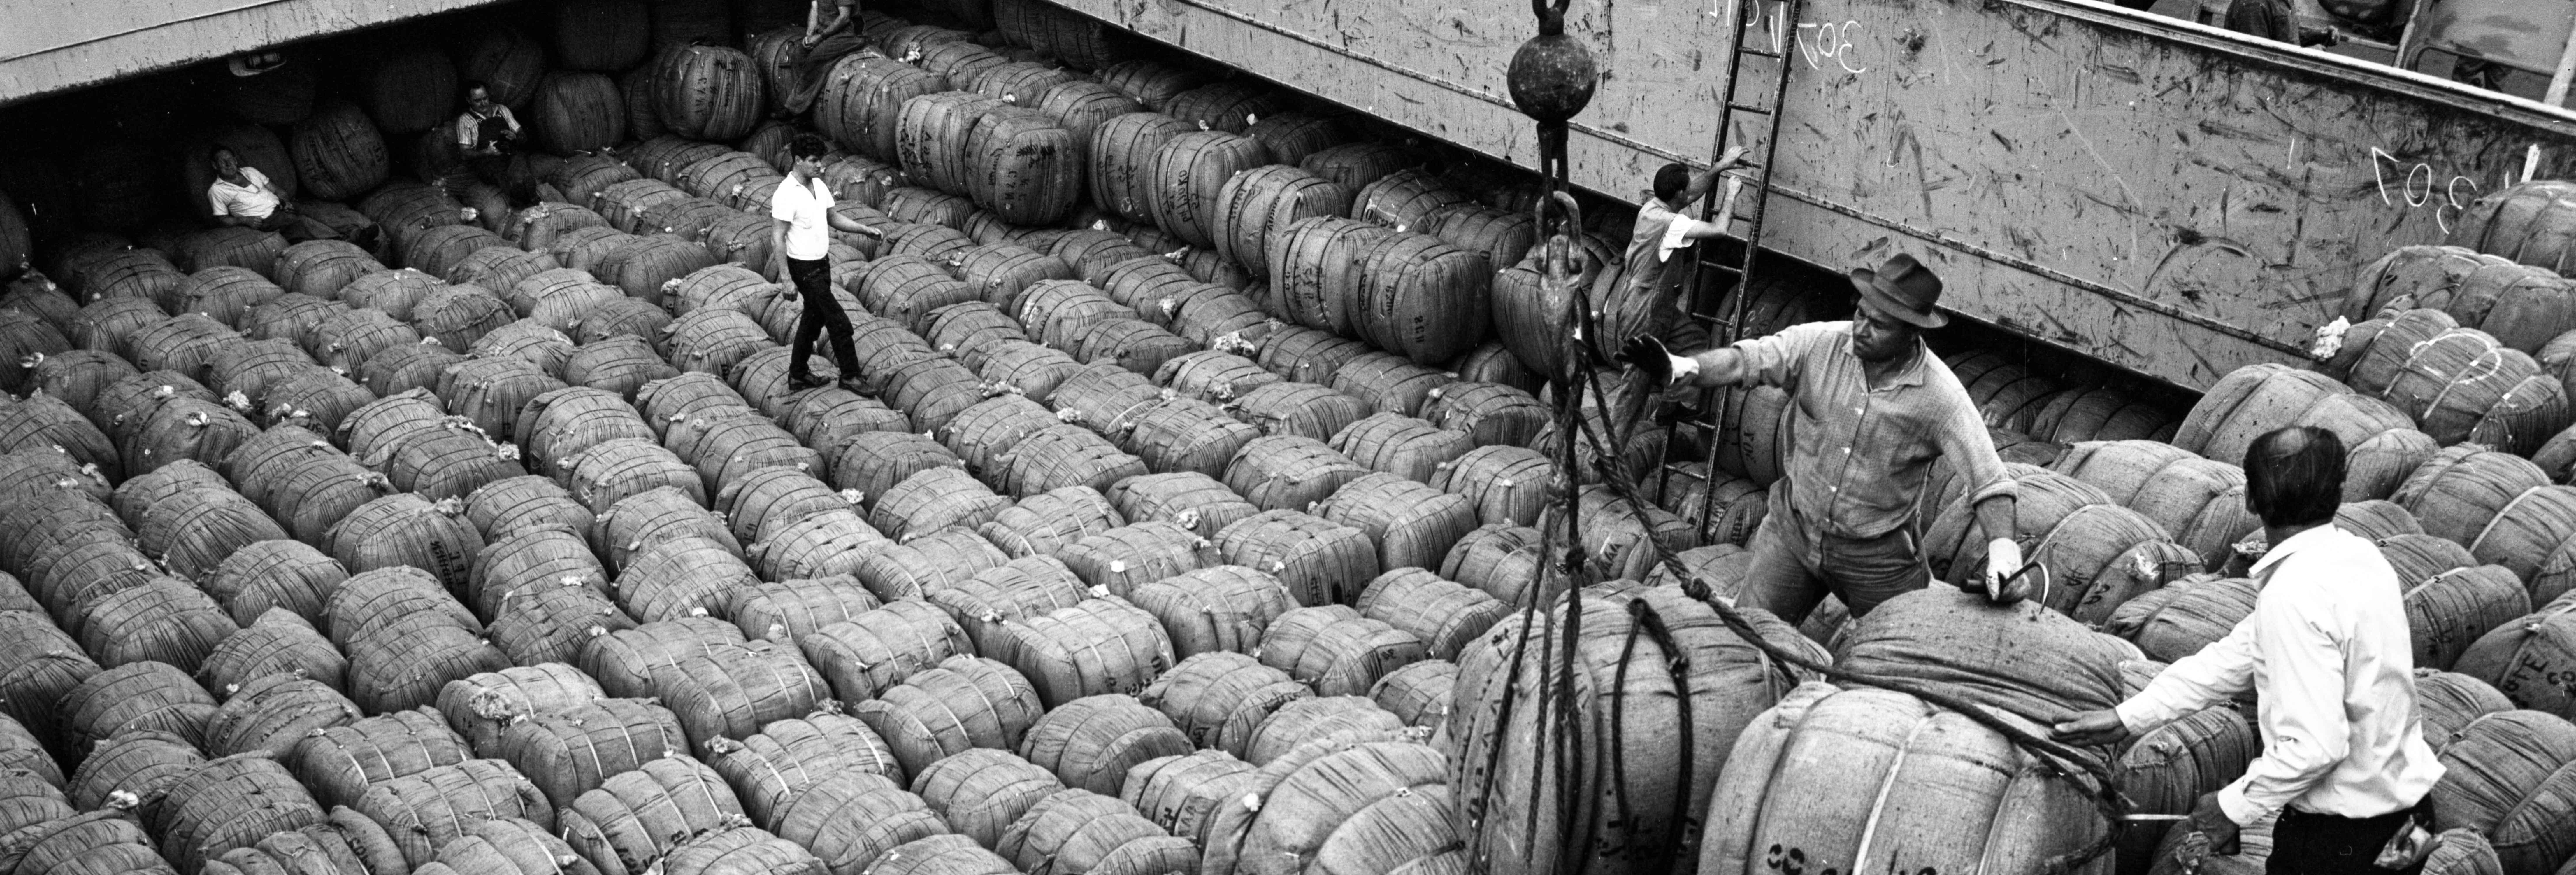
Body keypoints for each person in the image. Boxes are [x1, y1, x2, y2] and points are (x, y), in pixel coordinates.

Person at [2054, 427, 2444, 875]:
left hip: (2344, 843)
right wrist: (2128, 718)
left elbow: (2315, 747)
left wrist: (2232, 807)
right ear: (2339, 492)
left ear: (2250, 500)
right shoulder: (2358, 559)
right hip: (2405, 817)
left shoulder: (2295, 594)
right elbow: (2235, 657)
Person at [1621, 253, 2022, 621]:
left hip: (1876, 555)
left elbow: (1989, 481)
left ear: (1911, 334)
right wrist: (1686, 367)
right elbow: (1746, 360)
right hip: (1795, 530)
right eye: (1861, 315)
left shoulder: (1941, 397)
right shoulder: (1820, 343)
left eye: (1878, 326)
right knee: (1750, 636)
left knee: (1895, 660)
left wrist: (2003, 550)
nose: (1860, 330)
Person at [771, 133, 886, 390]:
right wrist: (786, 280)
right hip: (803, 269)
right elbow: (777, 238)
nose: (820, 166)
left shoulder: (818, 186)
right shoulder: (786, 194)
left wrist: (864, 230)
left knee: (812, 322)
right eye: (814, 161)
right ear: (798, 161)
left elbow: (833, 218)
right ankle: (850, 376)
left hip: (822, 264)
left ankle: (798, 375)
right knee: (839, 322)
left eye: (821, 161)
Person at [1622, 146, 1750, 351]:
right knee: (1639, 376)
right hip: (1645, 310)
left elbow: (1693, 194)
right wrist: (1730, 195)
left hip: (1654, 305)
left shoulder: (1653, 207)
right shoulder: (1672, 224)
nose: (1691, 190)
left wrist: (1720, 167)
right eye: (1687, 188)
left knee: (1696, 342)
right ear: (1679, 193)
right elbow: (1719, 230)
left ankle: (1675, 381)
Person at [206, 147, 372, 247]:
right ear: (215, 166)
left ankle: (358, 233)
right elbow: (223, 220)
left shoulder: (250, 171)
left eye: (230, 159)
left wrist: (284, 200)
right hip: (267, 220)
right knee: (301, 222)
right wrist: (244, 220)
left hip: (282, 207)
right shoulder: (217, 191)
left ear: (236, 160)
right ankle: (348, 242)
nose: (228, 164)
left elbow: (276, 190)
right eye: (222, 161)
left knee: (316, 213)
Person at [779, 0, 872, 117]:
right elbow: (815, 9)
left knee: (815, 58)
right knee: (799, 55)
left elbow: (845, 18)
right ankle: (804, 104)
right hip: (828, 32)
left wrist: (820, 37)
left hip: (850, 35)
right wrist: (809, 36)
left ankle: (795, 110)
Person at [454, 81, 537, 209]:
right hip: (488, 162)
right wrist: (486, 152)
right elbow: (465, 153)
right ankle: (522, 197)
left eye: (485, 98)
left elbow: (523, 136)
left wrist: (515, 137)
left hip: (510, 154)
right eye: (478, 101)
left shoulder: (502, 110)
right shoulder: (465, 121)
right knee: (505, 178)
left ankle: (525, 188)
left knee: (519, 166)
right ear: (469, 100)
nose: (484, 104)